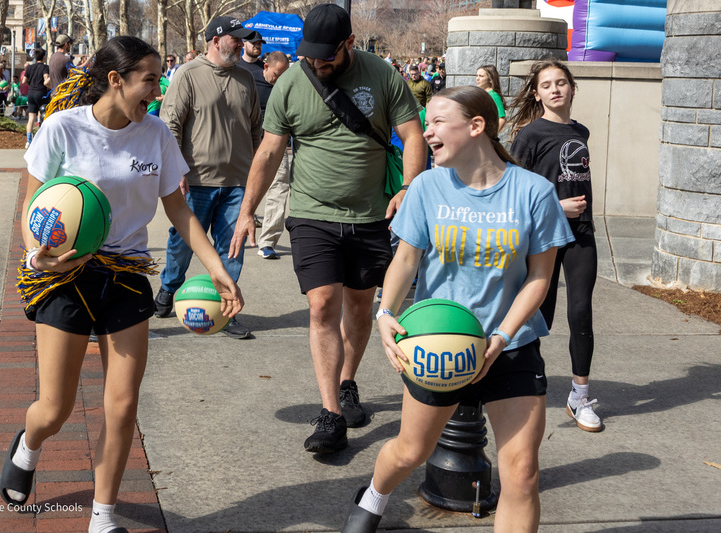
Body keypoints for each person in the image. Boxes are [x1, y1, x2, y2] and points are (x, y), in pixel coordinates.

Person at [0, 36, 243, 533]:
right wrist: (37, 254)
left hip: (127, 274)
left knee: (123, 402)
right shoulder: (63, 128)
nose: (157, 90)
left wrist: (215, 267)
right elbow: (34, 204)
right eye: (150, 79)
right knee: (55, 407)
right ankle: (29, 443)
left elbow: (178, 208)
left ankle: (103, 516)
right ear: (117, 79)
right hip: (65, 274)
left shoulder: (155, 134)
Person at [340, 86, 573, 533]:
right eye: (426, 125)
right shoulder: (427, 186)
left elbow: (540, 278)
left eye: (437, 123)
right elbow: (406, 259)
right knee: (410, 452)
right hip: (437, 346)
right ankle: (374, 495)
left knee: (522, 473)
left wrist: (502, 335)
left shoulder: (534, 192)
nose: (426, 133)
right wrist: (386, 313)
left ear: (477, 126)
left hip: (510, 346)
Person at [229, 3, 426, 453]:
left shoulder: (382, 76)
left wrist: (410, 188)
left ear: (349, 45)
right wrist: (247, 212)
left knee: (358, 310)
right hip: (312, 213)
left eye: (327, 56)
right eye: (310, 55)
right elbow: (269, 152)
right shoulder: (293, 82)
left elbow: (413, 136)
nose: (317, 63)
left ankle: (347, 383)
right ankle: (330, 413)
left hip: (372, 216)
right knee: (321, 307)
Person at [154, 16, 261, 340]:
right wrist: (177, 169)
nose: (241, 44)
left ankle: (225, 311)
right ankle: (168, 288)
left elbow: (257, 128)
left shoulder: (246, 78)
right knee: (183, 246)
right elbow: (169, 124)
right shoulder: (188, 75)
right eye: (235, 39)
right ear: (216, 40)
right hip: (197, 181)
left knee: (233, 249)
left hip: (238, 184)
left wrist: (257, 174)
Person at [508, 58, 601, 432]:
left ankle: (580, 396)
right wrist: (555, 206)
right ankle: (524, 383)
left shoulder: (583, 131)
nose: (555, 89)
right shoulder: (530, 135)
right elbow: (512, 191)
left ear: (573, 88)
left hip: (582, 234)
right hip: (545, 234)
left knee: (580, 312)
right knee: (538, 315)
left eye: (561, 83)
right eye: (547, 85)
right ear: (537, 93)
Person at [253, 52, 291, 260]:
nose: (279, 79)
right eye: (277, 74)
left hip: (277, 141)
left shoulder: (287, 85)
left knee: (279, 186)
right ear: (266, 67)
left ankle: (267, 241)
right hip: (249, 140)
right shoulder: (250, 79)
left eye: (284, 74)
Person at [21, 48, 50, 148]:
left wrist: (31, 85)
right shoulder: (45, 67)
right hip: (41, 93)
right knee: (43, 116)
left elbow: (24, 81)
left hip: (31, 93)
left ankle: (28, 141)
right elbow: (46, 79)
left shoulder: (30, 67)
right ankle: (42, 139)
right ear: (44, 57)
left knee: (31, 118)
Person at [476, 64, 507, 132]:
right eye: (477, 75)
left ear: (490, 79)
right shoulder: (482, 93)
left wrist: (493, 136)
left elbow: (502, 118)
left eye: (481, 76)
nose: (477, 78)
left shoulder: (494, 96)